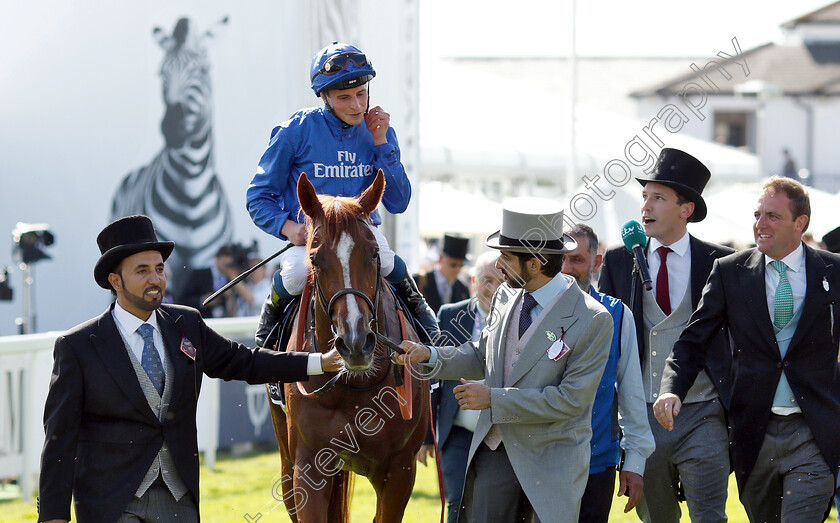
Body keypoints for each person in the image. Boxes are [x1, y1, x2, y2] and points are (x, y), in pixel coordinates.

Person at [37, 215, 343, 523]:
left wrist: (319, 361)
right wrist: (53, 516)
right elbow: (59, 441)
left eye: (159, 269)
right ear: (115, 281)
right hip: (110, 504)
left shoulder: (187, 323)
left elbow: (245, 362)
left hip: (178, 500)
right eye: (142, 271)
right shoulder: (77, 346)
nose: (155, 279)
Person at [395, 198, 613, 522]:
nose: (498, 266)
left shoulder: (593, 318)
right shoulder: (504, 295)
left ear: (536, 263)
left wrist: (493, 399)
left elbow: (570, 401)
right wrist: (432, 355)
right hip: (494, 453)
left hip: (551, 464)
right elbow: (482, 354)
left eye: (506, 257)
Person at [654, 176, 840, 522]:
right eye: (757, 215)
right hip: (754, 432)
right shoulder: (730, 272)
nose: (760, 224)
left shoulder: (834, 271)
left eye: (772, 216)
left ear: (801, 223)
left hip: (814, 432)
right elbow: (694, 341)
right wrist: (671, 389)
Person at [246, 41, 438, 344]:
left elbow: (399, 202)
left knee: (387, 261)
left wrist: (380, 144)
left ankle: (428, 329)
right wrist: (287, 226)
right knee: (295, 273)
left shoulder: (381, 131)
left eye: (361, 94)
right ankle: (267, 343)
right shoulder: (295, 131)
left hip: (362, 234)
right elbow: (258, 197)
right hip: (315, 237)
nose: (357, 106)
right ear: (324, 97)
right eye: (344, 97)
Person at [598, 148, 734, 523]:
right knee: (657, 518)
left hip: (703, 411)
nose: (646, 206)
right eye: (645, 196)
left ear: (686, 209)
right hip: (640, 416)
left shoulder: (720, 262)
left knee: (710, 517)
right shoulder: (619, 259)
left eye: (658, 197)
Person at [561, 223, 655, 522]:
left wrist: (635, 462)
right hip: (540, 461)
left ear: (596, 262)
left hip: (597, 462)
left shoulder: (617, 314)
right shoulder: (530, 312)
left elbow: (631, 393)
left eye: (577, 259)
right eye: (560, 257)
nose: (566, 268)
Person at [416, 251, 504, 523]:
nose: (492, 289)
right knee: (457, 502)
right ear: (473, 282)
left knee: (494, 507)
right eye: (487, 280)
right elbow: (433, 377)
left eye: (501, 282)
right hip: (456, 430)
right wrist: (427, 436)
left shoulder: (517, 320)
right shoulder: (451, 314)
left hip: (499, 432)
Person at [178, 243, 255, 318]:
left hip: (226, 322)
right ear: (217, 259)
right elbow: (183, 300)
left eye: (230, 265)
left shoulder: (233, 277)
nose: (227, 268)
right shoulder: (199, 275)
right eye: (225, 264)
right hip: (203, 320)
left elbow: (249, 299)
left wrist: (229, 297)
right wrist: (203, 300)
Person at [416, 234, 471, 314]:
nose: (457, 270)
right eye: (453, 265)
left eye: (461, 265)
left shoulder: (463, 289)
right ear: (440, 259)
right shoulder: (419, 281)